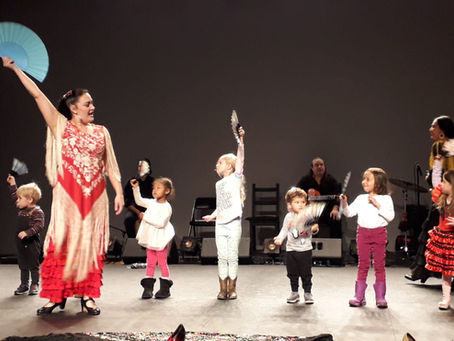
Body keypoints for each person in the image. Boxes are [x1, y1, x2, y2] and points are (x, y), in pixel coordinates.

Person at [2, 57, 124, 316]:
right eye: (87, 103)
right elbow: (37, 95)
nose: (93, 107)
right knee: (62, 246)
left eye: (92, 103)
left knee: (89, 247)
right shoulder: (61, 126)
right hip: (68, 198)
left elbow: (110, 165)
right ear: (73, 108)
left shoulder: (102, 132)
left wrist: (120, 193)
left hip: (95, 198)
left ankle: (88, 296)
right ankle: (56, 297)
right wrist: (15, 68)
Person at [405, 115, 454, 283]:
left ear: (442, 129)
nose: (430, 129)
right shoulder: (436, 147)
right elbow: (435, 174)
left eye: (434, 126)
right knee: (431, 232)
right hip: (441, 196)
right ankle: (422, 271)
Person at [340, 168, 395, 308]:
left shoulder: (386, 199)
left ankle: (380, 297)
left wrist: (377, 204)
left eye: (368, 179)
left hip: (379, 233)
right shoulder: (361, 198)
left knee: (379, 265)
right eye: (364, 179)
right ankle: (359, 296)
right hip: (363, 233)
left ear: (378, 182)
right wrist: (344, 203)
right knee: (363, 264)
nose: (363, 182)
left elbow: (390, 217)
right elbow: (349, 213)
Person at [203, 127, 246, 300]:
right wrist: (213, 215)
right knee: (222, 256)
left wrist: (241, 140)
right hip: (220, 224)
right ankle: (222, 289)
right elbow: (221, 205)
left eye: (220, 162)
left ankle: (232, 288)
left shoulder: (236, 178)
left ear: (229, 165)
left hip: (234, 223)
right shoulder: (218, 184)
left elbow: (241, 158)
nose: (217, 165)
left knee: (232, 256)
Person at [131, 177, 175, 299]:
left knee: (162, 262)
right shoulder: (152, 203)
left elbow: (161, 223)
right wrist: (136, 188)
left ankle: (165, 289)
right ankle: (148, 289)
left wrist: (144, 217)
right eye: (154, 188)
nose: (155, 190)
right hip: (151, 238)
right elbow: (139, 201)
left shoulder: (167, 207)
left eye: (158, 188)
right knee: (150, 262)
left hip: (160, 238)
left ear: (167, 191)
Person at [274, 187, 319, 304]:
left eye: (303, 202)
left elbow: (313, 229)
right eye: (297, 202)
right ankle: (294, 292)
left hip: (305, 250)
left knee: (306, 273)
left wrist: (314, 228)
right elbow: (284, 230)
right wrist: (279, 238)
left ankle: (308, 293)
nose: (300, 205)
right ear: (289, 204)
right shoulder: (288, 217)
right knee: (292, 273)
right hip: (291, 250)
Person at [7, 175, 44, 296]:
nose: (17, 200)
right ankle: (24, 284)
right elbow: (14, 196)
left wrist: (27, 233)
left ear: (29, 199)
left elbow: (39, 226)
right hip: (21, 243)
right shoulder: (22, 209)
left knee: (33, 264)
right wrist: (13, 184)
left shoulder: (37, 212)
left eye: (20, 198)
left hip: (32, 243)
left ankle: (34, 283)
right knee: (22, 264)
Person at [424, 162, 454, 310]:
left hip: (453, 239)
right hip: (444, 238)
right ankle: (446, 299)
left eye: (445, 182)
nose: (442, 184)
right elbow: (436, 182)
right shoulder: (442, 198)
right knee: (446, 272)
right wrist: (437, 164)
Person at [297, 158, 341, 238]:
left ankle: (335, 246)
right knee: (304, 220)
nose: (319, 167)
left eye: (321, 165)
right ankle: (307, 245)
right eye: (316, 165)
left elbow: (337, 196)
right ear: (312, 168)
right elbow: (297, 193)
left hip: (327, 210)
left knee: (335, 218)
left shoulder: (331, 180)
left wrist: (335, 209)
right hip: (311, 210)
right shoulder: (305, 180)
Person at [123, 159, 154, 237]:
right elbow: (128, 201)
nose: (139, 168)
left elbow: (155, 201)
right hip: (134, 209)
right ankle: (132, 241)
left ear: (148, 168)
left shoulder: (153, 182)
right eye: (139, 166)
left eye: (142, 166)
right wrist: (138, 213)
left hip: (149, 210)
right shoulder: (132, 181)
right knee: (129, 219)